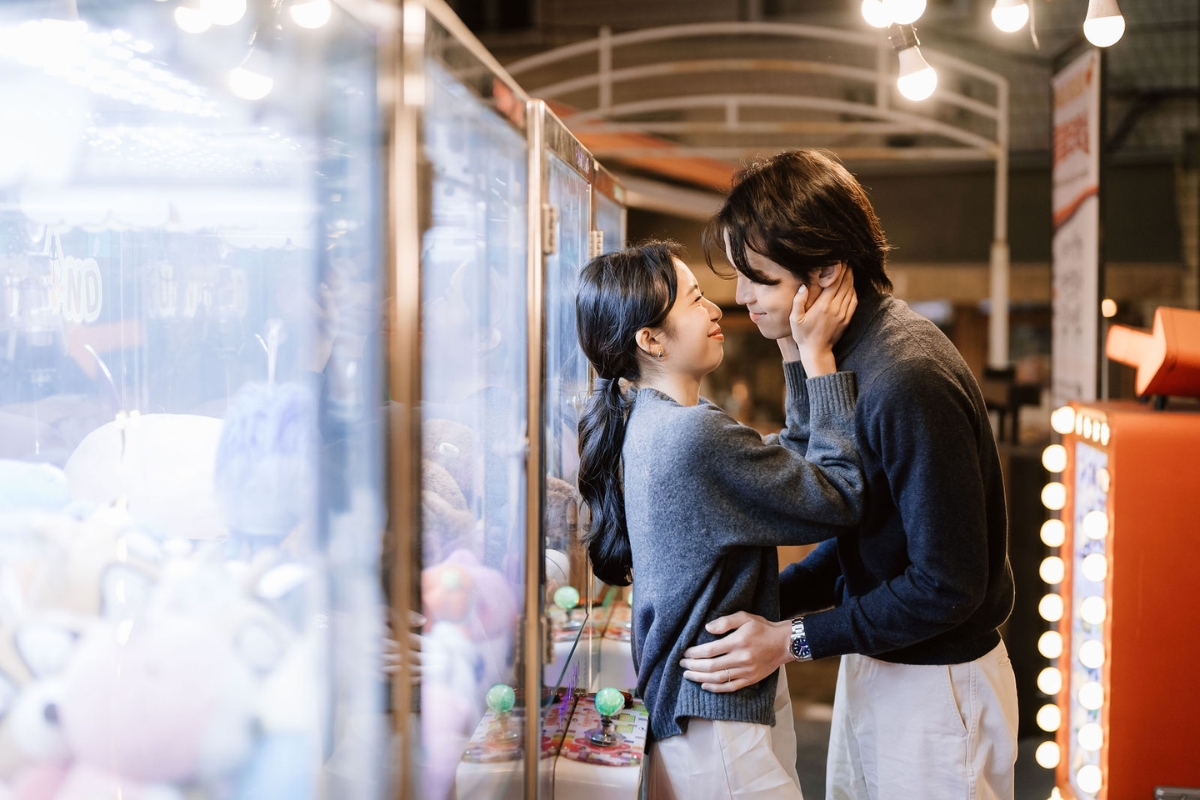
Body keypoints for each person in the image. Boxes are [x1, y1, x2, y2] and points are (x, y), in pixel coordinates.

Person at [679, 149, 1018, 800]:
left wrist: (790, 639)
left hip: (936, 688)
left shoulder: (906, 375)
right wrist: (770, 607)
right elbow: (855, 525)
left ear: (828, 271)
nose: (741, 296)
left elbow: (947, 585)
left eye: (759, 278)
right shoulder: (846, 351)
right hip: (884, 660)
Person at [575, 241, 862, 800]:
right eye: (695, 299)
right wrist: (820, 359)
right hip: (713, 722)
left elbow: (790, 461)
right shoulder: (691, 436)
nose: (714, 310)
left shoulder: (660, 420)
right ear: (651, 340)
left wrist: (790, 347)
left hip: (705, 710)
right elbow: (839, 496)